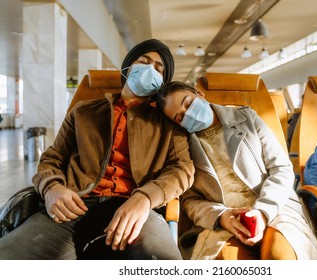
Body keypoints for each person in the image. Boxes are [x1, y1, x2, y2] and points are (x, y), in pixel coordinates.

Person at [0, 39, 194, 260]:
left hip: (137, 210)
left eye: (159, 69)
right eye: (144, 61)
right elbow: (52, 158)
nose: (150, 70)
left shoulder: (167, 123)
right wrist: (51, 187)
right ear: (128, 66)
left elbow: (182, 169)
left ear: (162, 83)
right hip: (73, 206)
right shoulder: (83, 112)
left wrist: (146, 199)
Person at [155, 81, 317, 260]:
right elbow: (190, 200)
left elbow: (281, 168)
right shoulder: (183, 147)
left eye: (188, 103)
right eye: (179, 118)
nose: (187, 114)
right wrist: (221, 217)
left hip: (275, 207)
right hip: (225, 221)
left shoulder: (247, 118)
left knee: (279, 257)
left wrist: (263, 212)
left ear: (199, 93)